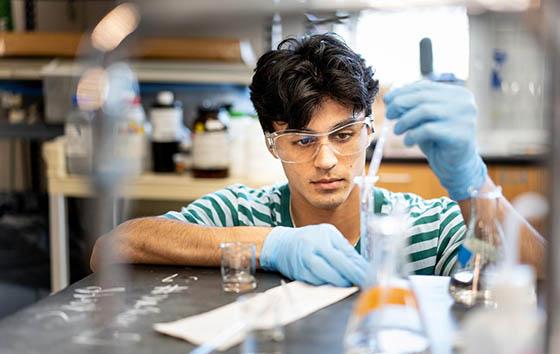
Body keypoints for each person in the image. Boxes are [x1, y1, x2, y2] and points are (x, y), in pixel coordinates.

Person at [90, 34, 544, 286]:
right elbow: (110, 248)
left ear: (368, 133)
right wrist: (268, 245)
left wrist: (474, 183)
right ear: (273, 143)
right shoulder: (242, 215)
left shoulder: (416, 227)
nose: (327, 159)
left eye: (344, 134)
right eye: (303, 141)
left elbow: (542, 273)